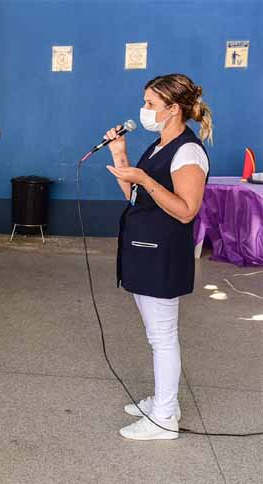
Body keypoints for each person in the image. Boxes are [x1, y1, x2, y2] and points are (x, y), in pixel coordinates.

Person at [104, 74, 213, 441]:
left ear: (173, 109)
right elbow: (136, 197)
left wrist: (146, 180)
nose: (145, 110)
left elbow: (186, 210)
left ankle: (164, 417)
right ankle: (164, 401)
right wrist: (120, 155)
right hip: (142, 249)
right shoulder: (157, 144)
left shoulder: (188, 152)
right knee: (156, 334)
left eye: (151, 104)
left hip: (163, 252)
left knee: (163, 337)